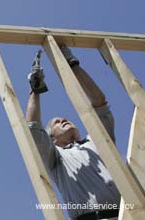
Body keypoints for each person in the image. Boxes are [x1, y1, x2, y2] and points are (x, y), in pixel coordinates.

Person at [26, 45, 120, 220]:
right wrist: (35, 90)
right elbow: (32, 128)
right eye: (57, 122)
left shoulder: (97, 141)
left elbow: (99, 102)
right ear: (51, 139)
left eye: (65, 119)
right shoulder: (56, 157)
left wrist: (72, 64)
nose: (63, 120)